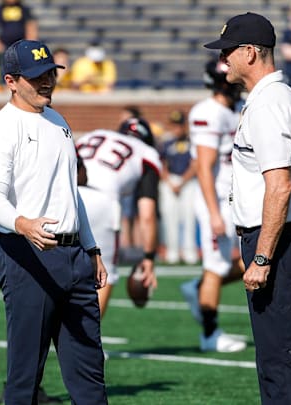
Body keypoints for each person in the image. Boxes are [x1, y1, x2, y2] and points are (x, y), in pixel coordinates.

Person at [0, 39, 110, 404]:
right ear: (11, 81)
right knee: (25, 374)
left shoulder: (58, 121)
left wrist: (92, 246)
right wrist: (23, 224)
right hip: (27, 255)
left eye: (50, 72)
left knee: (90, 372)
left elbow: (69, 192)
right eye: (36, 76)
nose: (47, 81)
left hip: (74, 256)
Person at [205, 12, 291, 404]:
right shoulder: (284, 99)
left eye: (229, 52)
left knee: (280, 357)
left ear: (251, 53)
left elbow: (279, 185)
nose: (224, 61)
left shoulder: (269, 105)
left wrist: (262, 255)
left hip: (279, 237)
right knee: (276, 355)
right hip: (287, 233)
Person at [179, 59, 247, 353]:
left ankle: (197, 288)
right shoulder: (207, 112)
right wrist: (214, 212)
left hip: (236, 198)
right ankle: (210, 334)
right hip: (216, 200)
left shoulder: (236, 109)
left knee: (253, 260)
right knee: (215, 266)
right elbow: (205, 167)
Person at [76, 117, 161, 317]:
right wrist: (148, 257)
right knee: (103, 274)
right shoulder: (147, 153)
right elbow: (147, 214)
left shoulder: (94, 134)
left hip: (67, 195)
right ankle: (86, 345)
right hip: (101, 200)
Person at [158, 110, 198, 265]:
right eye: (174, 125)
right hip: (170, 181)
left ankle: (189, 251)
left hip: (187, 182)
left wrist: (182, 181)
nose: (176, 128)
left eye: (179, 125)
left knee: (189, 217)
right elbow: (162, 164)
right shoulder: (166, 143)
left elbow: (195, 164)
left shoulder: (192, 142)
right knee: (170, 217)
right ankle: (172, 251)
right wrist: (169, 181)